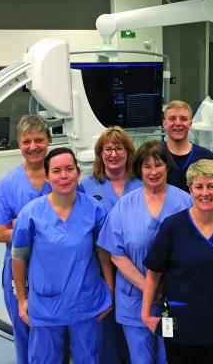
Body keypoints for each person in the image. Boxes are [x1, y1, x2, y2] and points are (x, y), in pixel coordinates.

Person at [11, 147, 113, 363]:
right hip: (46, 304)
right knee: (45, 359)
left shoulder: (94, 210)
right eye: (57, 171)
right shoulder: (31, 214)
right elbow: (18, 258)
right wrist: (22, 299)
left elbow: (103, 253)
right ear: (47, 176)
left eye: (69, 169)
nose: (64, 175)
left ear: (78, 172)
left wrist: (109, 291)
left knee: (89, 357)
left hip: (86, 301)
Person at [141, 160, 213, 364]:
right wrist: (146, 314)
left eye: (211, 186)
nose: (205, 193)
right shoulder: (172, 226)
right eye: (198, 186)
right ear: (190, 190)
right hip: (181, 320)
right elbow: (154, 273)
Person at [98, 140, 192, 364]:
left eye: (158, 165)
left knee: (169, 356)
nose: (153, 171)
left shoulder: (185, 202)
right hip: (134, 298)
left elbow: (191, 251)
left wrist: (162, 287)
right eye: (147, 166)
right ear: (139, 169)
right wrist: (147, 285)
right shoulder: (124, 206)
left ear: (167, 167)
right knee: (141, 358)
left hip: (173, 299)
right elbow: (116, 254)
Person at [0, 114, 52, 364]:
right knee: (24, 328)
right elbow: (1, 234)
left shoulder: (60, 178)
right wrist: (43, 231)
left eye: (39, 140)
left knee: (55, 330)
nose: (33, 146)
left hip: (56, 268)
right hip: (18, 270)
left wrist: (19, 224)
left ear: (49, 141)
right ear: (19, 144)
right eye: (26, 141)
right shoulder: (8, 184)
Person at [79, 126, 142, 363]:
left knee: (134, 321)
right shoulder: (87, 186)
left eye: (119, 148)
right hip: (99, 262)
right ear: (100, 154)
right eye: (108, 149)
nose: (113, 154)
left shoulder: (141, 183)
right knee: (105, 318)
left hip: (134, 262)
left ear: (128, 152)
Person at [163, 100, 213, 192]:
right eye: (172, 118)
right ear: (164, 124)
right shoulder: (154, 156)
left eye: (183, 119)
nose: (178, 123)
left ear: (190, 124)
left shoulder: (207, 157)